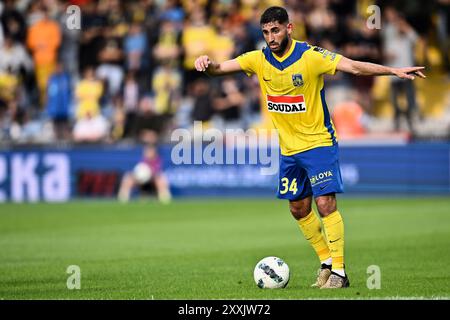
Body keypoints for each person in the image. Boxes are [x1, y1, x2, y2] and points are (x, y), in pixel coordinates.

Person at [194, 6, 426, 289]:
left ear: (289, 28)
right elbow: (219, 69)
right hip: (289, 149)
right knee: (298, 208)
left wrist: (393, 71)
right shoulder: (257, 59)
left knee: (325, 203)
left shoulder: (311, 56)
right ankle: (326, 263)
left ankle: (339, 272)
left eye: (276, 30)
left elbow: (352, 66)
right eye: (266, 32)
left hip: (318, 142)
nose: (271, 37)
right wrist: (207, 64)